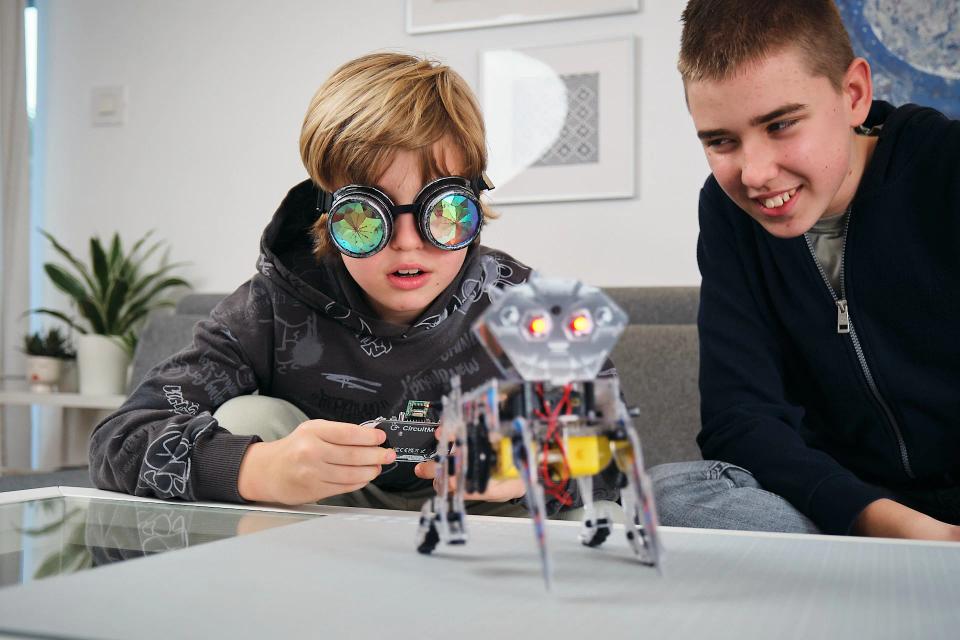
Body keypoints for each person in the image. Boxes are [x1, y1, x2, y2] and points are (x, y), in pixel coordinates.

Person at [89, 52, 620, 515]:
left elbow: (616, 453)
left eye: (445, 210)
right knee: (249, 417)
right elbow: (119, 439)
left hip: (487, 529)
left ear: (476, 206)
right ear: (325, 215)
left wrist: (532, 464)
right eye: (368, 216)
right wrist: (257, 467)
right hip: (324, 522)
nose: (409, 242)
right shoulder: (272, 308)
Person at [652, 0, 960, 540]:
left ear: (854, 96)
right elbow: (740, 419)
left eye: (781, 124)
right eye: (721, 141)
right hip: (852, 513)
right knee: (666, 492)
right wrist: (904, 529)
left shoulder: (946, 166)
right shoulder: (727, 213)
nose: (756, 173)